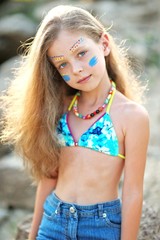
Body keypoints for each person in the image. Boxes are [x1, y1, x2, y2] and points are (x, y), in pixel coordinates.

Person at [0, 5, 149, 240]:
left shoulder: (132, 116)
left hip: (100, 226)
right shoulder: (60, 107)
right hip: (53, 220)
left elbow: (132, 193)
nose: (77, 69)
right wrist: (33, 235)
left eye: (81, 53)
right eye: (62, 64)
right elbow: (49, 178)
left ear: (104, 44)